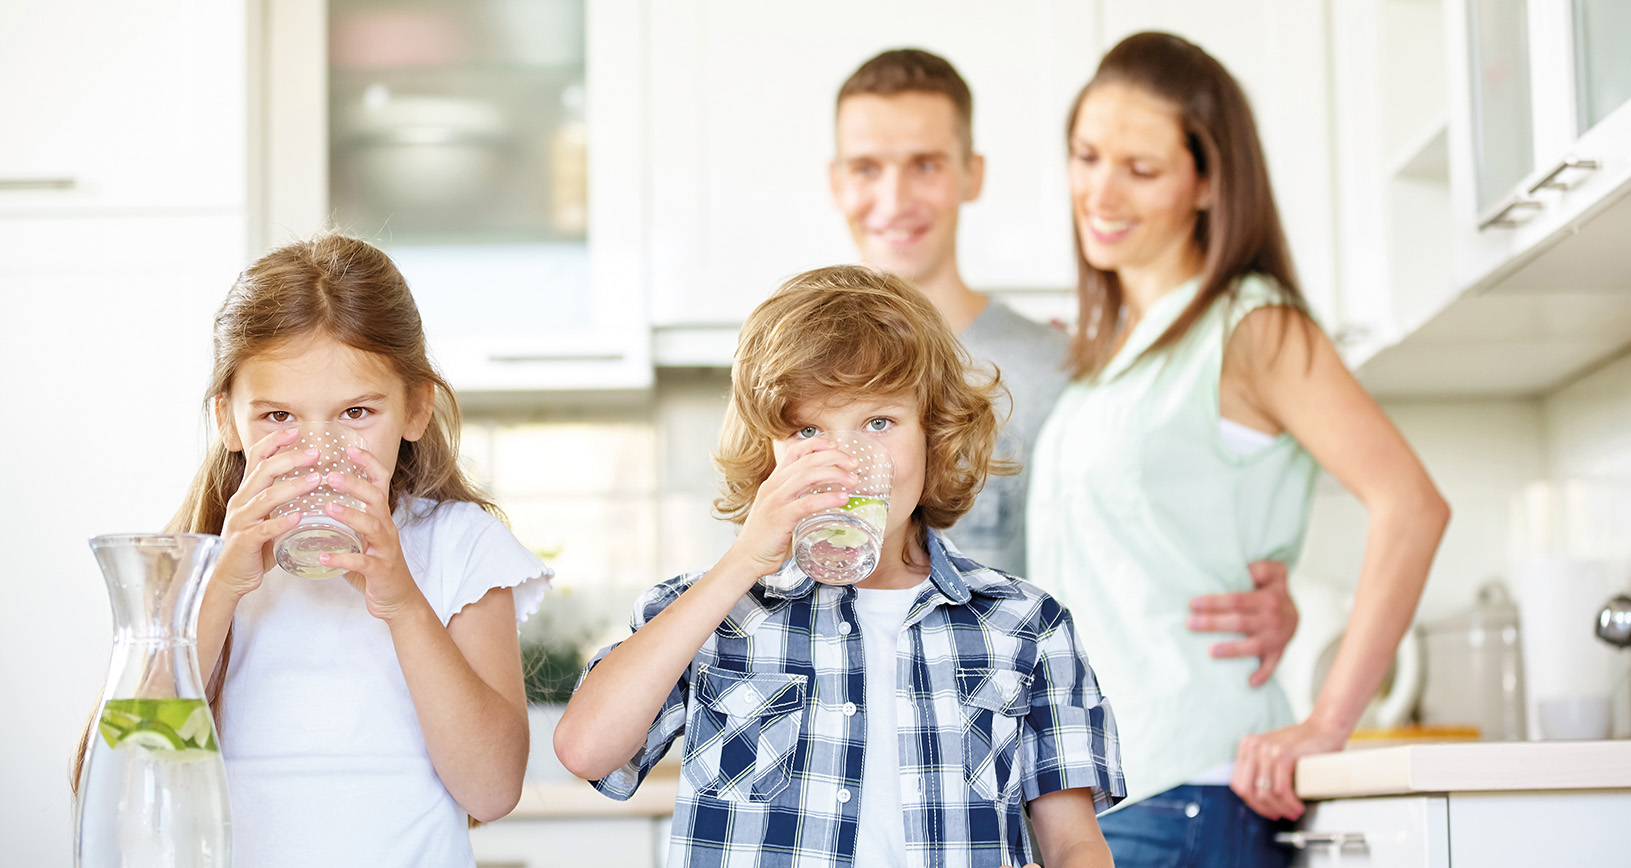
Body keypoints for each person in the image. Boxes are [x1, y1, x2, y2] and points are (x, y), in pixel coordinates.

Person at [1027, 32, 1450, 867]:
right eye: (1085, 156)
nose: (1099, 193)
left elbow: (1412, 504)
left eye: (1139, 170)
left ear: (1208, 180)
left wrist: (1327, 722)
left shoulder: (1249, 324)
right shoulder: (1112, 354)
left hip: (1186, 790)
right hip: (1096, 796)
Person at [554, 265, 1124, 868]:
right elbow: (587, 750)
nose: (848, 463)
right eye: (808, 430)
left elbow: (1074, 843)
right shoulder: (715, 612)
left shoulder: (1025, 625)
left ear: (934, 432)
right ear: (769, 450)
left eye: (879, 423)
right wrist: (744, 560)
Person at [830, 47, 1301, 689]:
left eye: (925, 165)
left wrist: (1268, 598)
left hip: (1014, 751)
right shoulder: (796, 377)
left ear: (973, 175)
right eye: (866, 167)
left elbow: (1150, 540)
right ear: (835, 180)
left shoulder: (1068, 371)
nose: (894, 197)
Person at [183, 234, 550, 865]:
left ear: (414, 409)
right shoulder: (190, 564)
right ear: (228, 420)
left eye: (355, 412)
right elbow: (119, 767)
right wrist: (220, 585)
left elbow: (491, 791)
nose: (316, 450)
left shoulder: (461, 547)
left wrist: (404, 602)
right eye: (278, 417)